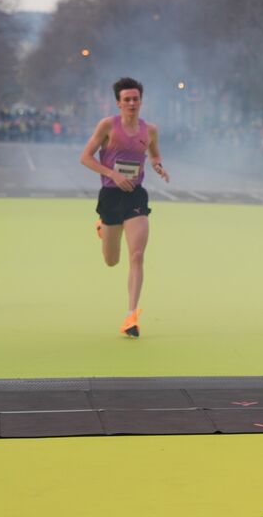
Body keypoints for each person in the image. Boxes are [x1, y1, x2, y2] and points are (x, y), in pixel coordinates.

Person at [79, 77, 170, 338]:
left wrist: (158, 165)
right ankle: (102, 228)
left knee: (137, 255)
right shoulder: (108, 126)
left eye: (136, 99)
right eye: (127, 99)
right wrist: (113, 174)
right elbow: (85, 157)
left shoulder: (150, 130)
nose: (132, 103)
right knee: (111, 260)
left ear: (141, 101)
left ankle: (131, 316)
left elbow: (154, 153)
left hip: (135, 197)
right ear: (118, 103)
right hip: (110, 195)